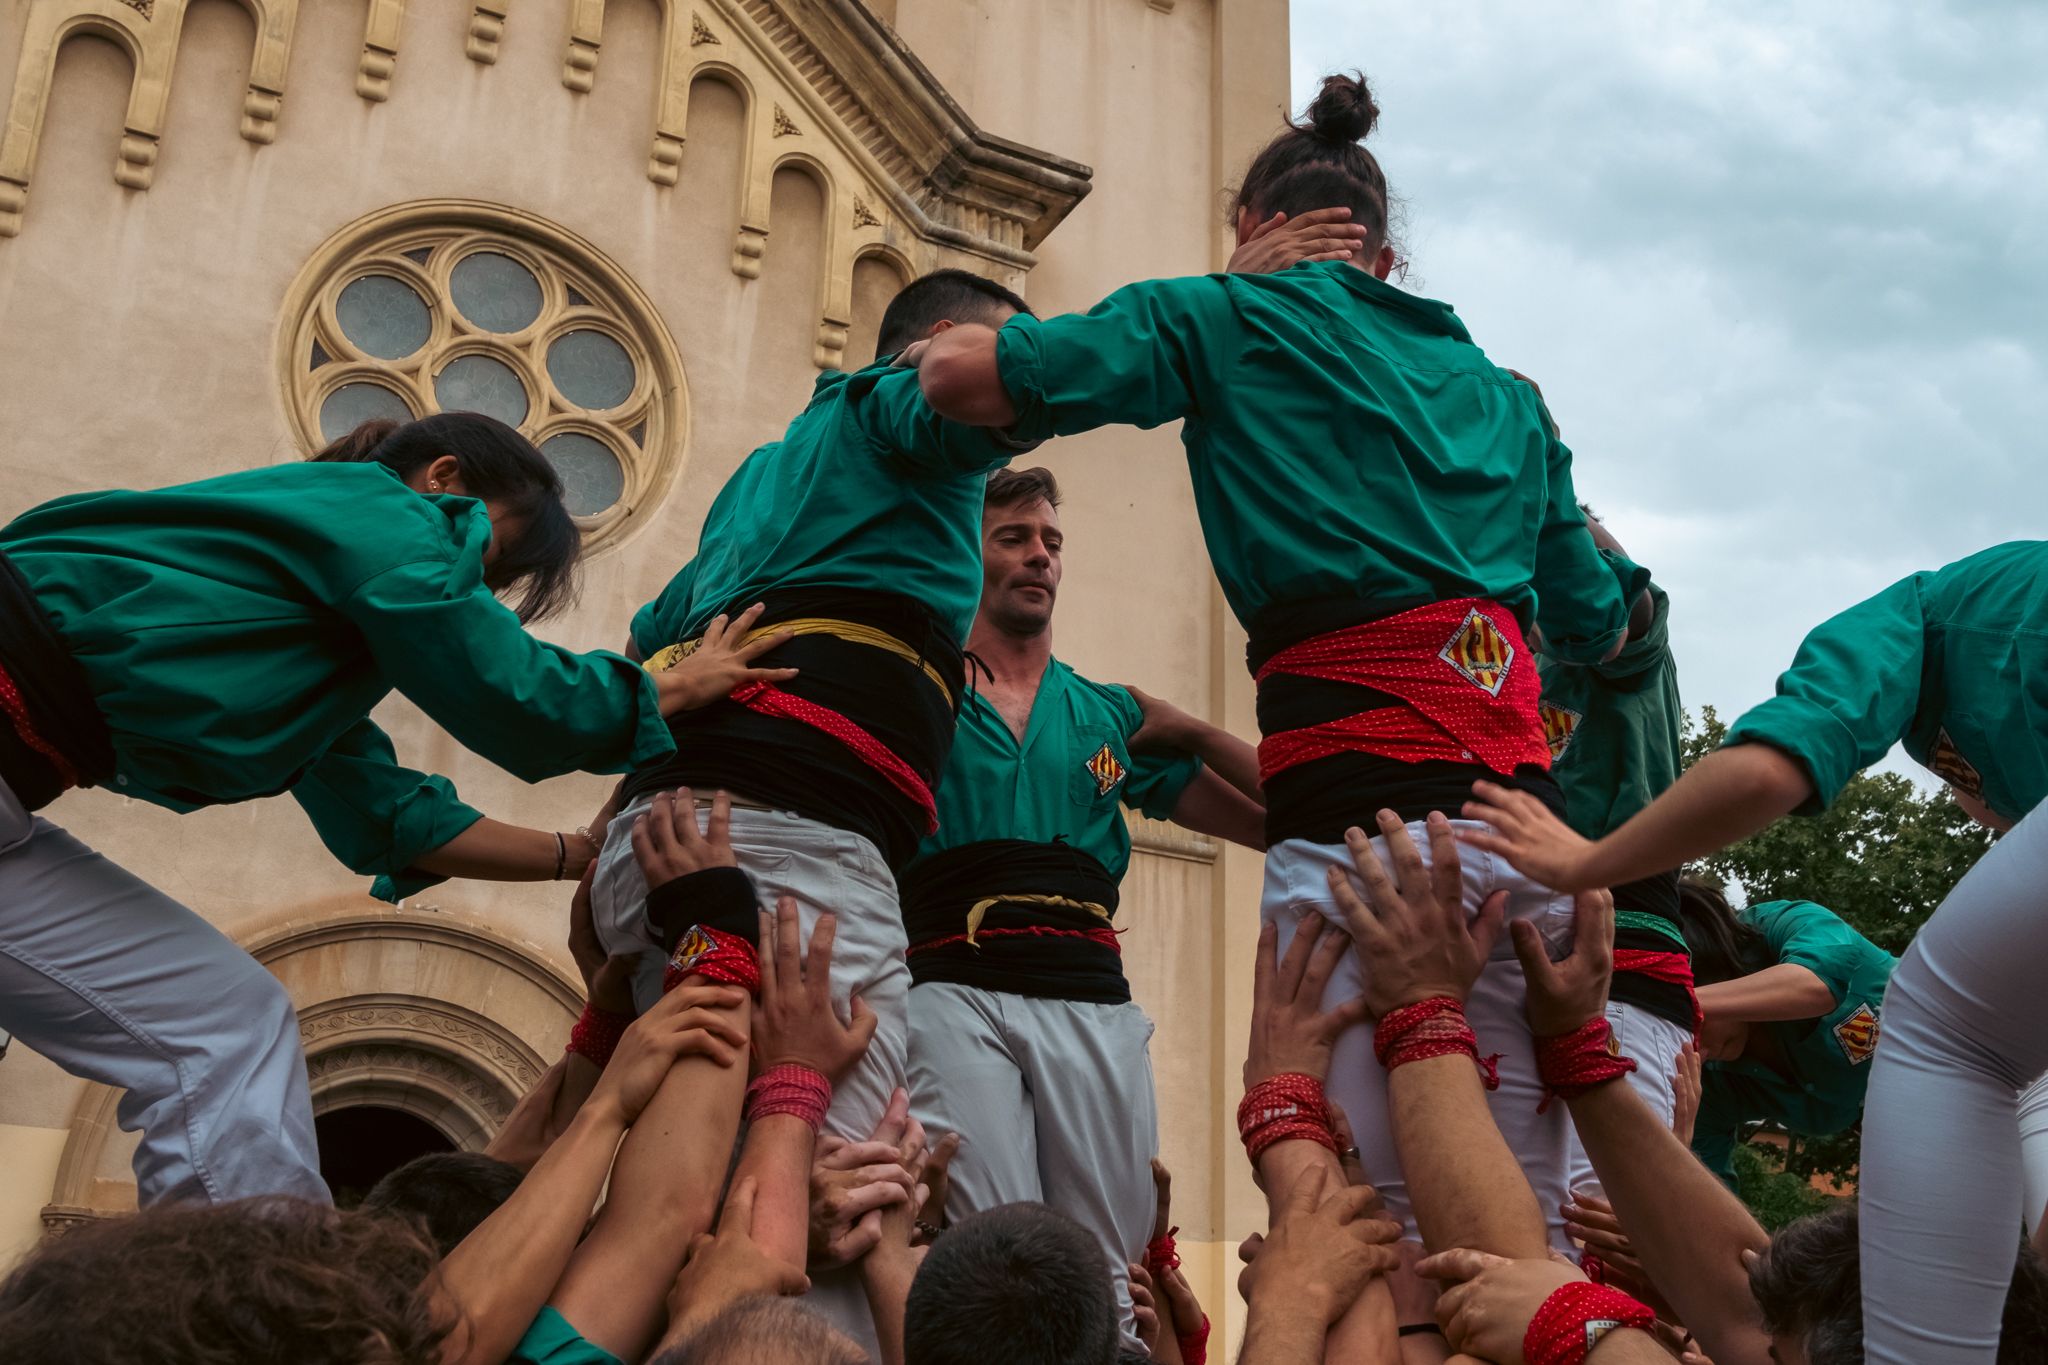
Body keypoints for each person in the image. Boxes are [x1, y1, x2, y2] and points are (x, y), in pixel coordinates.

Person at [913, 70, 1644, 1246]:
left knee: (1361, 1232)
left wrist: (1222, 293)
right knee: (1531, 1242)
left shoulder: (1219, 314)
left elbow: (953, 373)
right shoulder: (1508, 396)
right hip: (1526, 845)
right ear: (1387, 258)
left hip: (1359, 848)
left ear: (1251, 229)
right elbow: (1596, 619)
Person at [0, 413, 765, 1208]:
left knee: (227, 1023)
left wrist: (583, 850)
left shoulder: (303, 666)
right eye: (487, 562)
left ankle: (247, 1305)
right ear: (441, 479)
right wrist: (672, 686)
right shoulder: (381, 509)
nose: (471, 592)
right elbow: (519, 693)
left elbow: (398, 817)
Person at [584, 269, 1040, 1342]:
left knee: (696, 1182)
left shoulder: (766, 475)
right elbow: (963, 392)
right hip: (785, 860)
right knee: (838, 1193)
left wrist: (605, 834)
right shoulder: (895, 412)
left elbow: (649, 633)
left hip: (685, 840)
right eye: (998, 355)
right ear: (938, 346)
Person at [1460, 538, 2048, 1362]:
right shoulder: (1729, 1083)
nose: (1988, 817)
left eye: (1973, 787)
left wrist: (1587, 866)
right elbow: (1751, 1292)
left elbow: (1812, 973)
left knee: (1954, 1036)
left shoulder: (1920, 622)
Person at [901, 465, 1265, 1345]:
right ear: (970, 552)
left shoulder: (1105, 714)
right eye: (1014, 538)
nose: (1038, 556)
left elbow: (1287, 816)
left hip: (1091, 1001)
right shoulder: (916, 689)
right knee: (986, 1250)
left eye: (1051, 541)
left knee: (1107, 1265)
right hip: (952, 985)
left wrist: (1198, 730)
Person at [1534, 504, 1696, 1194]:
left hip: (1621, 970)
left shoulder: (1626, 655)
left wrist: (1551, 495)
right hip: (1539, 972)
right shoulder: (1512, 666)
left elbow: (1637, 604)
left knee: (1596, 1226)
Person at [1676, 880, 1895, 1185]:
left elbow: (1817, 983)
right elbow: (1708, 1188)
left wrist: (1673, 1003)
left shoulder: (1782, 926)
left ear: (1721, 973)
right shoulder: (1710, 1083)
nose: (1693, 1048)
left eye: (1692, 1025)